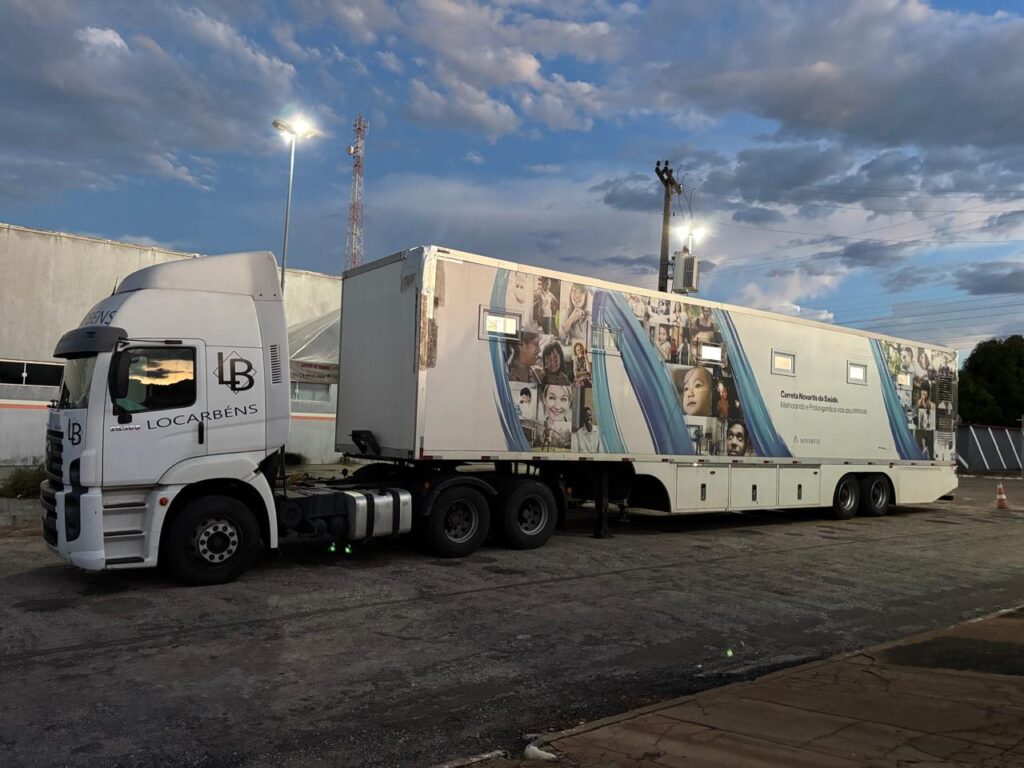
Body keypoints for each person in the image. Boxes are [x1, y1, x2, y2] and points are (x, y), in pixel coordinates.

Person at [538, 383, 572, 450]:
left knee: (548, 443)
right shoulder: (546, 428)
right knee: (545, 443)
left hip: (549, 438)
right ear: (544, 399)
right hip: (546, 438)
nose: (557, 407)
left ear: (569, 403)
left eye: (563, 399)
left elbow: (553, 430)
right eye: (552, 398)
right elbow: (545, 432)